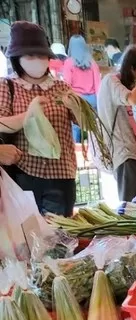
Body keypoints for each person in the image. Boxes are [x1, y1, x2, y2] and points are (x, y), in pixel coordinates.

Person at [0, 21, 77, 216]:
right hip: (25, 175)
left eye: (42, 55)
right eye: (30, 55)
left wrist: (77, 107)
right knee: (28, 239)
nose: (37, 60)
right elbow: (1, 124)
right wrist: (29, 115)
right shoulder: (8, 86)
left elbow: (86, 125)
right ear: (18, 58)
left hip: (61, 176)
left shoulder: (62, 88)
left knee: (60, 240)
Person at [97, 46, 136, 202]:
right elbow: (132, 99)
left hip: (129, 150)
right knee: (131, 204)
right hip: (123, 152)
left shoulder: (118, 83)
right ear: (131, 68)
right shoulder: (111, 81)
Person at [63, 35, 101, 142]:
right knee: (92, 128)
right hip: (92, 101)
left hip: (76, 99)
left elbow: (67, 84)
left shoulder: (68, 63)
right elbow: (98, 85)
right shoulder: (93, 63)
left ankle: (78, 148)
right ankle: (94, 150)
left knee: (76, 127)